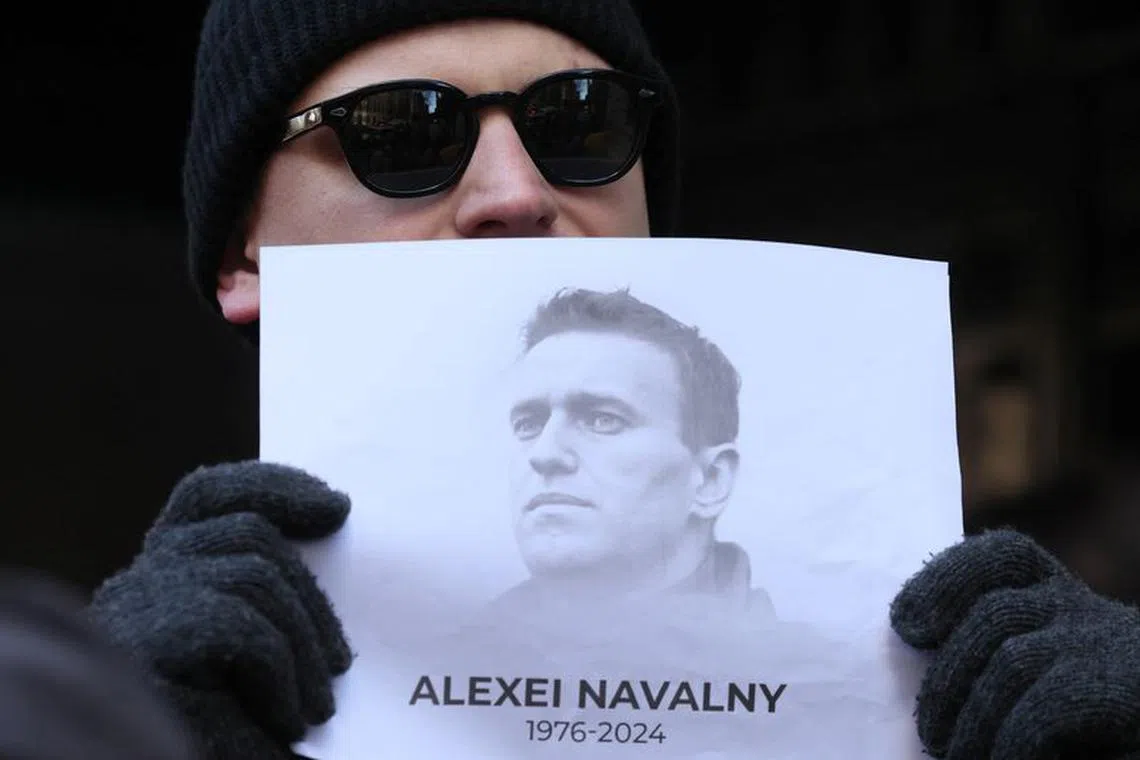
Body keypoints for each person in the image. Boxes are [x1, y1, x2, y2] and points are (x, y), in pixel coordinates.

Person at [84, 0, 1140, 758]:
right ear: (242, 257)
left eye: (578, 121)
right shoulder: (128, 689)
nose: (513, 192)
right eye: (402, 133)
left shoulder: (946, 691)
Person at [494, 286, 775, 621]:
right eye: (529, 425)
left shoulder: (808, 669)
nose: (544, 454)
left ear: (711, 481)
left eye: (603, 420)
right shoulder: (439, 666)